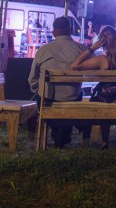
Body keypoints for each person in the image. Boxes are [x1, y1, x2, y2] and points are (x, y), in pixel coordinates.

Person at [71, 26, 116, 148]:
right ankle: (104, 141)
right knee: (106, 96)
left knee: (101, 97)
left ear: (101, 41)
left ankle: (102, 141)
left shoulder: (102, 60)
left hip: (108, 101)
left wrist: (92, 48)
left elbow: (75, 66)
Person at [28, 16, 90, 148]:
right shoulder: (82, 50)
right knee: (76, 93)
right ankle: (62, 134)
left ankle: (59, 135)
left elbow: (32, 78)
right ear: (71, 29)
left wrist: (38, 90)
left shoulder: (43, 50)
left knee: (42, 95)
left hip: (48, 100)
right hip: (72, 100)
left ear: (54, 32)